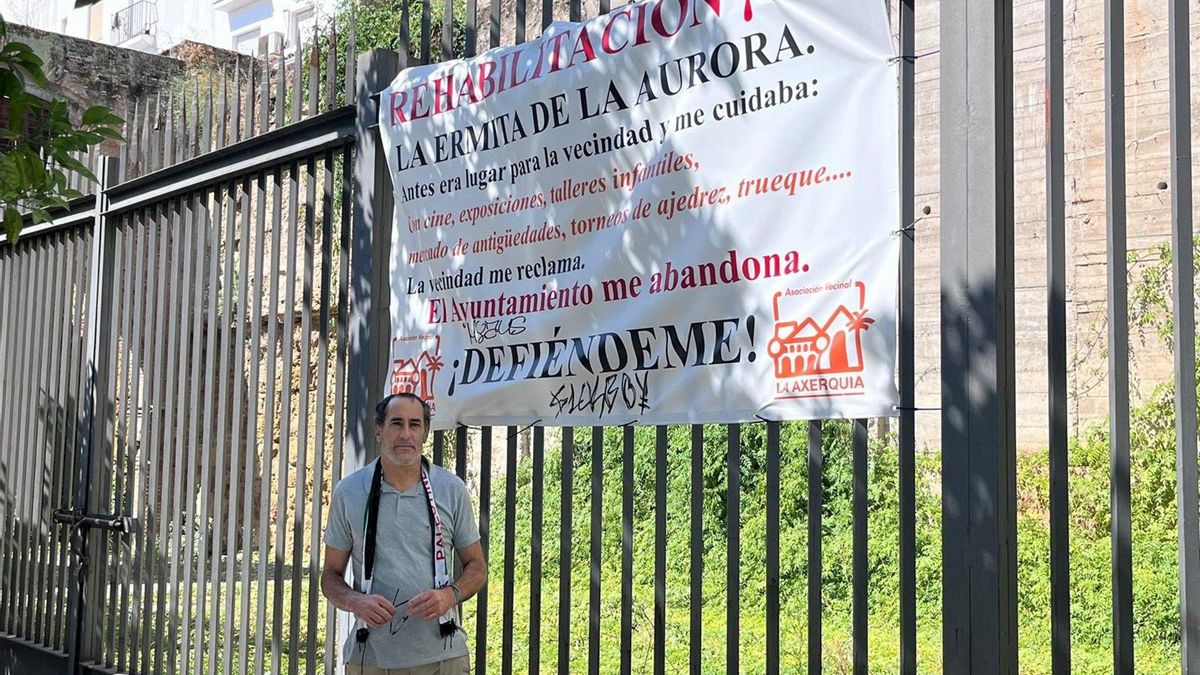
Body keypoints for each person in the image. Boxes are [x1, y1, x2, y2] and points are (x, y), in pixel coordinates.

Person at [322, 393, 486, 674]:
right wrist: (355, 601)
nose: (405, 434)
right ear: (379, 431)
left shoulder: (451, 489)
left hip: (443, 658)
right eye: (396, 424)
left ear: (424, 433)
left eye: (415, 425)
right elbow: (330, 576)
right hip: (371, 658)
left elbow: (477, 567)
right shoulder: (349, 492)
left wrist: (450, 594)